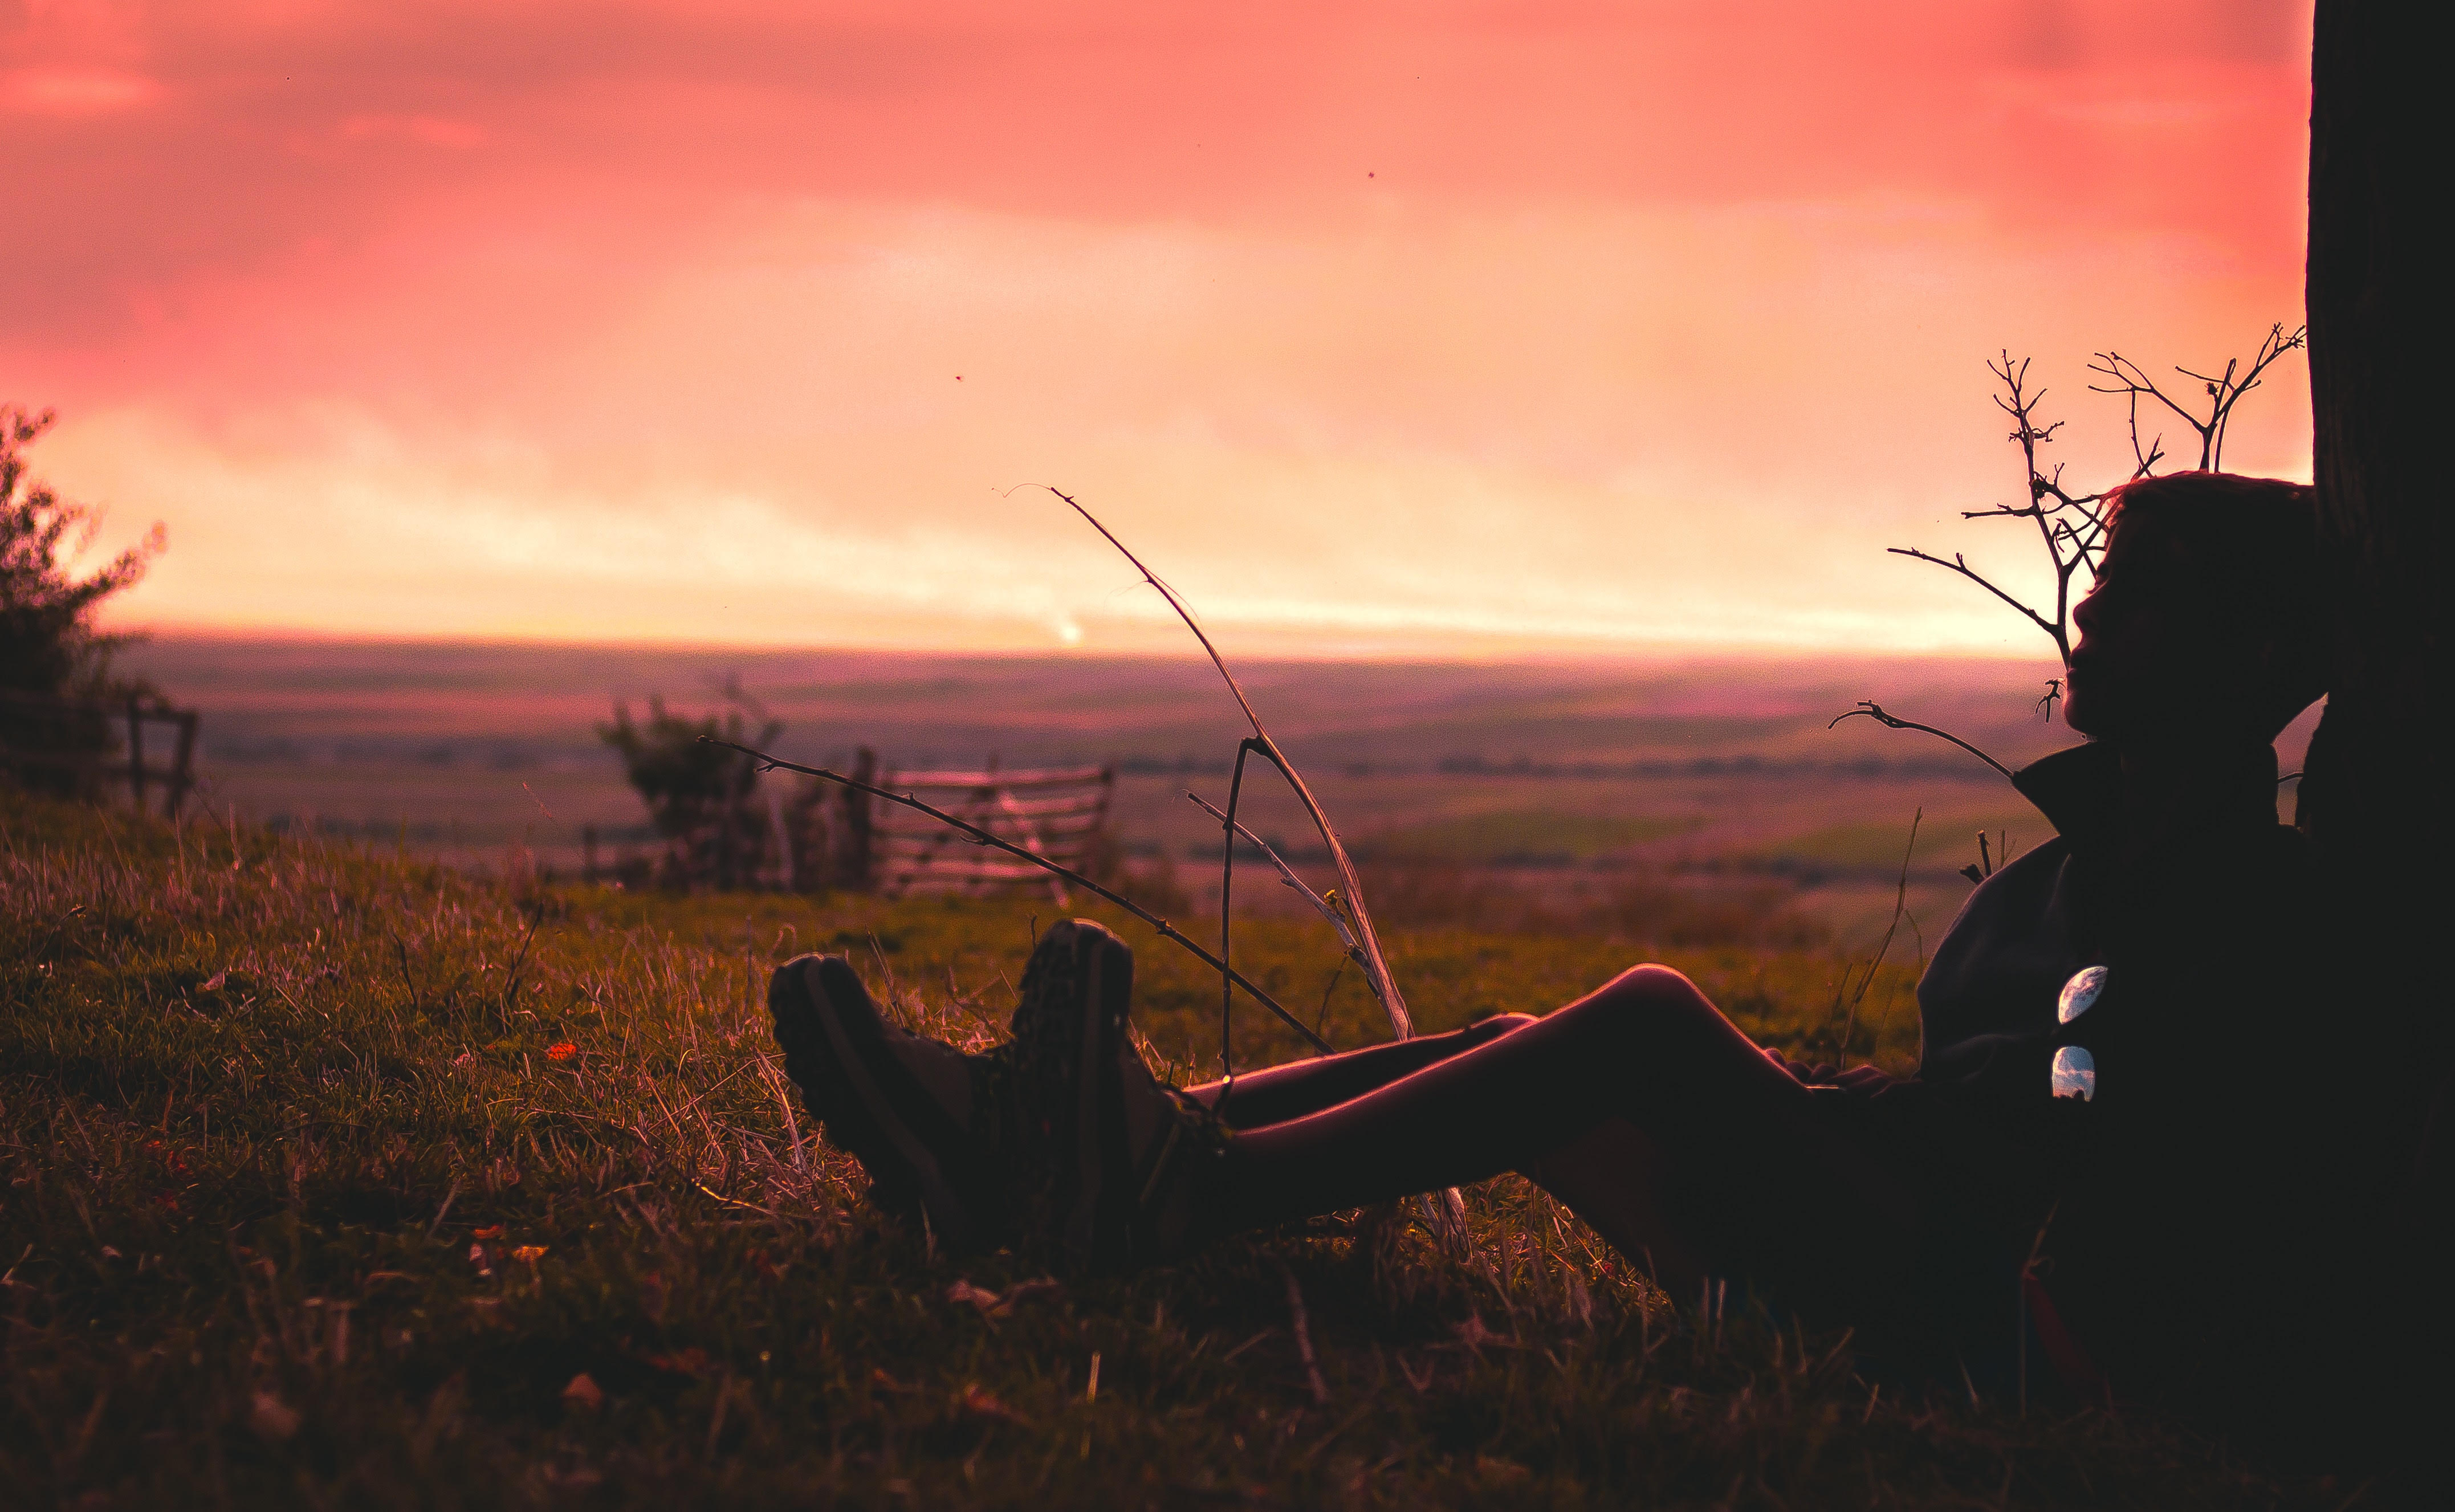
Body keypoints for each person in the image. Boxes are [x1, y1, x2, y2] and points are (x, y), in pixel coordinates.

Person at [770, 470, 2346, 1429]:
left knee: (1649, 1020)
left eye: (2131, 598)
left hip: (2010, 1339)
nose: (2082, 613)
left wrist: (1807, 1126)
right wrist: (1816, 1117)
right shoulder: (2072, 873)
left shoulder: (2245, 906)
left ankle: (1164, 1194)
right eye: (2093, 580)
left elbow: (2068, 1147)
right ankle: (1065, 1141)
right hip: (1912, 1249)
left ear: (2256, 659)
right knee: (1517, 1041)